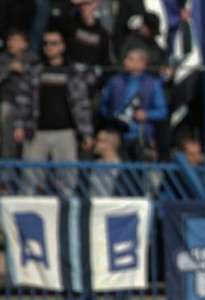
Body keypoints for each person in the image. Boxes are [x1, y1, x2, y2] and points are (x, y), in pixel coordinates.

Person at [14, 28, 94, 195]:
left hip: (65, 133)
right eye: (46, 44)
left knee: (67, 182)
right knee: (30, 180)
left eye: (54, 43)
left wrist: (86, 133)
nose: (49, 47)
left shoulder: (74, 73)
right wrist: (19, 125)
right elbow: (23, 99)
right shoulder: (34, 71)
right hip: (36, 132)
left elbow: (82, 104)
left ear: (63, 46)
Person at [99, 48, 168, 161]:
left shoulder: (152, 84)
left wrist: (146, 114)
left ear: (141, 63)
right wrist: (111, 119)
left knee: (140, 168)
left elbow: (163, 111)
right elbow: (103, 104)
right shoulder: (115, 81)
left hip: (141, 137)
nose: (125, 61)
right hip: (117, 137)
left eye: (130, 59)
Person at [0, 29, 39, 160]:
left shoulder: (32, 58)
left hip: (29, 102)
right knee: (5, 113)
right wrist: (9, 69)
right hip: (9, 100)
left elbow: (37, 76)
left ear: (25, 44)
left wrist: (23, 69)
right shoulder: (3, 58)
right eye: (10, 40)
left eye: (16, 41)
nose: (12, 43)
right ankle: (7, 161)